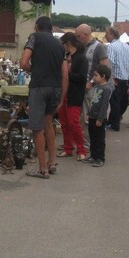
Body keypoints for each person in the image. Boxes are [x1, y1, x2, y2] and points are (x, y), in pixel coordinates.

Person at [20, 16, 68, 179]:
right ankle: (51, 162)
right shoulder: (60, 45)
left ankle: (42, 169)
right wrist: (62, 97)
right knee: (48, 124)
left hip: (39, 86)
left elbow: (23, 62)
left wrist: (34, 69)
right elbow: (65, 75)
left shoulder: (34, 37)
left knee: (37, 128)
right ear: (52, 28)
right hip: (54, 88)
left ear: (36, 26)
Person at [75, 24, 109, 148]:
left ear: (86, 34)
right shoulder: (81, 47)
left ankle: (93, 143)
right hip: (82, 86)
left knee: (90, 115)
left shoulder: (98, 47)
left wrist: (92, 82)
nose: (77, 38)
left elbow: (104, 69)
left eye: (78, 36)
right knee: (83, 115)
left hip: (93, 87)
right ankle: (85, 141)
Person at [57, 32, 88, 160]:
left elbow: (81, 77)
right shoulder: (66, 57)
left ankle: (81, 149)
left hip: (75, 95)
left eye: (63, 44)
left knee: (73, 123)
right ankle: (68, 148)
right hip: (64, 93)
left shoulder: (81, 58)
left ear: (68, 44)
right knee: (64, 123)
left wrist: (67, 74)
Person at [82, 64, 113, 167]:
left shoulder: (106, 89)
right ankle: (93, 155)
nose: (93, 78)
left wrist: (100, 118)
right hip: (92, 116)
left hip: (99, 118)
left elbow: (104, 105)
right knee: (93, 137)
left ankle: (100, 158)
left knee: (99, 138)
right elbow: (92, 102)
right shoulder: (96, 87)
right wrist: (89, 113)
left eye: (96, 75)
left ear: (103, 76)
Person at [105, 26, 129, 131]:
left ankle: (115, 124)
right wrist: (128, 77)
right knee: (120, 101)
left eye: (107, 33)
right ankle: (112, 121)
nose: (105, 36)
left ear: (112, 34)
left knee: (114, 102)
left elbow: (110, 63)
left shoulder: (111, 47)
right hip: (125, 78)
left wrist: (111, 77)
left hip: (115, 78)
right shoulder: (126, 46)